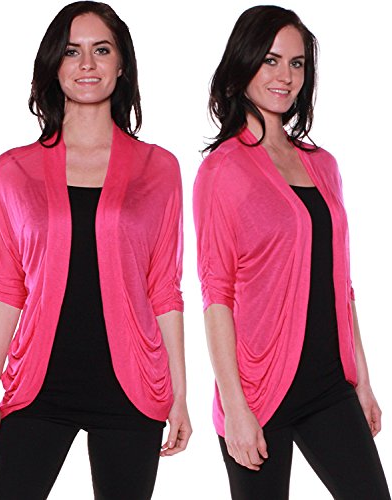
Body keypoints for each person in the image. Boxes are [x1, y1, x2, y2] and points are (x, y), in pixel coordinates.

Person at [0, 2, 191, 499]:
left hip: (132, 389)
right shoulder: (12, 171)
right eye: (72, 52)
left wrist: (180, 394)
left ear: (122, 64)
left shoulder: (159, 169)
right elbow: (6, 287)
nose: (87, 64)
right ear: (54, 64)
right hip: (37, 387)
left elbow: (164, 287)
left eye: (102, 50)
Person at [193, 5, 390, 499]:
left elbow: (341, 285)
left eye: (297, 63)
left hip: (330, 386)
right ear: (243, 65)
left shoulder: (323, 165)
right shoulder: (222, 171)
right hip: (258, 391)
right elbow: (216, 294)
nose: (285, 76)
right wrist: (235, 407)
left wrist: (363, 382)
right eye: (271, 60)